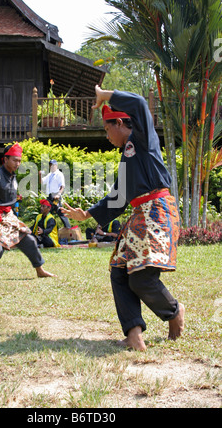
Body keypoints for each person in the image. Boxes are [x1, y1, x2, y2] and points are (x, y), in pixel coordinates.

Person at [61, 85, 184, 351]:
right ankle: (134, 333)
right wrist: (88, 214)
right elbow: (118, 199)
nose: (106, 136)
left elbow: (140, 103)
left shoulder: (143, 139)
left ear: (119, 122)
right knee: (119, 270)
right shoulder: (127, 156)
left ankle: (174, 311)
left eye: (107, 129)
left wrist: (106, 95)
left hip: (158, 212)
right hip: (141, 214)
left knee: (141, 277)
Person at [0, 143, 56, 282]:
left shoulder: (12, 176)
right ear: (6, 159)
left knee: (29, 240)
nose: (18, 163)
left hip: (8, 216)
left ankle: (40, 270)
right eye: (15, 160)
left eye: (19, 160)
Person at [39, 159, 71, 229]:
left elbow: (62, 186)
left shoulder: (59, 174)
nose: (52, 167)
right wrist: (40, 175)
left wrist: (58, 194)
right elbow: (41, 182)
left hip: (56, 196)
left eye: (53, 165)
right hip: (50, 196)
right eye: (50, 165)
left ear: (56, 166)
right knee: (46, 211)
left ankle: (68, 228)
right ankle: (44, 228)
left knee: (60, 211)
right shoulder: (49, 175)